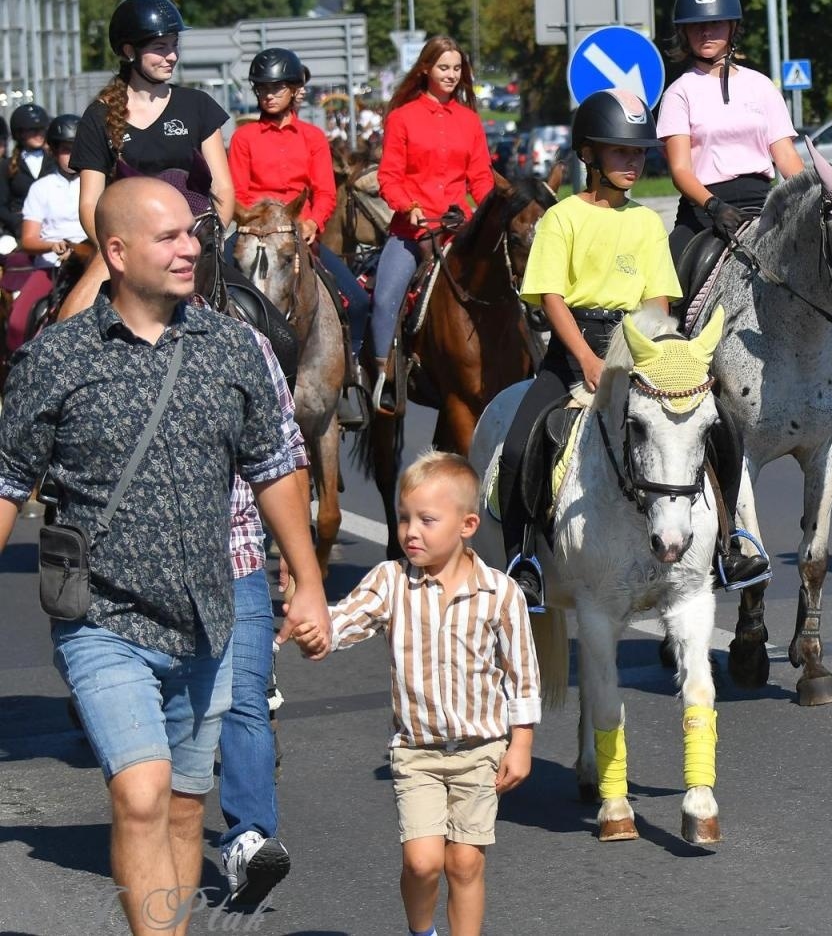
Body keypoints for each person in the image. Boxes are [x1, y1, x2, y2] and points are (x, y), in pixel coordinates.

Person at [0, 177, 330, 936]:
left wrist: (306, 581)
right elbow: (8, 481)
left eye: (193, 235)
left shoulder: (234, 347)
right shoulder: (57, 359)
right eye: (170, 238)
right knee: (142, 794)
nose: (191, 250)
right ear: (115, 253)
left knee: (185, 810)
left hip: (208, 618)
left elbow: (278, 463)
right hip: (102, 619)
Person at [498, 87, 769, 605]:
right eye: (621, 151)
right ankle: (523, 558)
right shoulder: (562, 218)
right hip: (576, 348)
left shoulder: (646, 221)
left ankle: (730, 541)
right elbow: (551, 296)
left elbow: (659, 300)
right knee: (519, 447)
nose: (633, 162)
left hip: (641, 346)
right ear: (589, 155)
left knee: (721, 429)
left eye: (639, 152)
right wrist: (585, 358)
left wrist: (662, 357)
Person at [318, 450, 536, 936]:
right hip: (416, 753)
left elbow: (522, 676)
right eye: (402, 518)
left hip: (480, 751)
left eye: (426, 520)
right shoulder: (390, 582)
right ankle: (421, 932)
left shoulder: (500, 593)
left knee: (465, 865)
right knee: (422, 863)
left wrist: (521, 743)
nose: (410, 531)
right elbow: (342, 623)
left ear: (467, 524)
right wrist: (315, 628)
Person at [61, 0, 234, 321]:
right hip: (129, 246)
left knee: (277, 331)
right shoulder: (97, 118)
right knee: (65, 325)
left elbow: (223, 189)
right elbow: (89, 204)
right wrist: (119, 251)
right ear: (129, 51)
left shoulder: (198, 105)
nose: (172, 56)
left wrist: (205, 242)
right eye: (160, 48)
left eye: (174, 45)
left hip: (196, 242)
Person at [218, 320, 309, 909]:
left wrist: (302, 566)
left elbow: (284, 453)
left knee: (244, 695)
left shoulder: (243, 342)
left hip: (239, 554)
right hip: (139, 574)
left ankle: (248, 838)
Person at [229, 47, 372, 413]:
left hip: (298, 240)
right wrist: (257, 221)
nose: (268, 94)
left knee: (356, 302)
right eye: (262, 88)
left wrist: (312, 222)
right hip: (256, 235)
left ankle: (349, 375)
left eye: (276, 87)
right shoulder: (244, 138)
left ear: (294, 90)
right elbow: (239, 193)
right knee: (210, 287)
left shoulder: (312, 138)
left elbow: (324, 191)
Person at [372, 35, 493, 414]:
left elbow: (482, 179)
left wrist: (491, 212)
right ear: (425, 69)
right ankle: (384, 376)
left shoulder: (470, 121)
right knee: (383, 298)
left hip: (460, 228)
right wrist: (407, 205)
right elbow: (389, 176)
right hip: (413, 231)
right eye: (444, 67)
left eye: (457, 68)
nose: (452, 75)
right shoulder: (402, 117)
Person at [657, 0, 804, 263]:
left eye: (716, 23)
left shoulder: (761, 86)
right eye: (697, 25)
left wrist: (814, 196)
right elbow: (680, 170)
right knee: (666, 277)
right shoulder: (678, 93)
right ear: (684, 32)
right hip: (704, 211)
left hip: (765, 206)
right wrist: (714, 206)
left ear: (732, 26)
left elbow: (786, 157)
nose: (706, 32)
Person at [10, 114, 86, 352]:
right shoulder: (40, 188)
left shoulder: (98, 182)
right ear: (53, 150)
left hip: (91, 262)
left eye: (77, 149)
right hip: (51, 265)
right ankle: (14, 371)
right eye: (66, 149)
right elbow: (29, 240)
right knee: (17, 320)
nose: (72, 156)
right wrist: (52, 245)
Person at [4, 103, 52, 237]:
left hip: (53, 227)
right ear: (19, 133)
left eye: (42, 129)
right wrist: (20, 222)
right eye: (32, 130)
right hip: (19, 230)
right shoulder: (7, 165)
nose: (39, 134)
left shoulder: (54, 163)